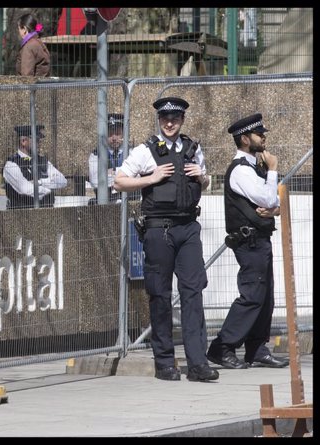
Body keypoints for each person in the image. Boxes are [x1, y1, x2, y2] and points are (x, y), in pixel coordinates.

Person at [113, 97, 218, 382]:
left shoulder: (193, 150)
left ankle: (198, 363)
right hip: (159, 229)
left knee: (192, 292)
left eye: (175, 118)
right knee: (160, 294)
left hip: (188, 228)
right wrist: (151, 178)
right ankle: (164, 363)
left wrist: (203, 177)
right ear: (159, 120)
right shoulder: (145, 151)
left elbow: (205, 184)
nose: (170, 123)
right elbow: (119, 181)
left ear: (183, 119)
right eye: (165, 118)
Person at [206, 113, 289, 369]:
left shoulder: (254, 168)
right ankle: (222, 347)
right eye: (258, 134)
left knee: (265, 296)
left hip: (261, 239)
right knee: (252, 295)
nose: (263, 137)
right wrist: (273, 171)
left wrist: (273, 207)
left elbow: (273, 203)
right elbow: (267, 200)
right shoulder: (241, 171)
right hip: (249, 242)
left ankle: (256, 348)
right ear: (245, 139)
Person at [3, 124, 67, 210]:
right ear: (23, 141)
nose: (39, 144)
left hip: (48, 214)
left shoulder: (43, 161)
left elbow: (62, 181)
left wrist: (40, 182)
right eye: (36, 140)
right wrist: (48, 190)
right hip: (21, 217)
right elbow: (25, 189)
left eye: (39, 141)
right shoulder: (11, 165)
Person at [87, 113, 138, 204]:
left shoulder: (132, 152)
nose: (114, 138)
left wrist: (110, 172)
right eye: (110, 134)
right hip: (106, 203)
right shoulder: (95, 154)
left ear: (123, 134)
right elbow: (95, 181)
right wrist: (124, 174)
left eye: (118, 133)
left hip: (130, 202)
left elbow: (137, 176)